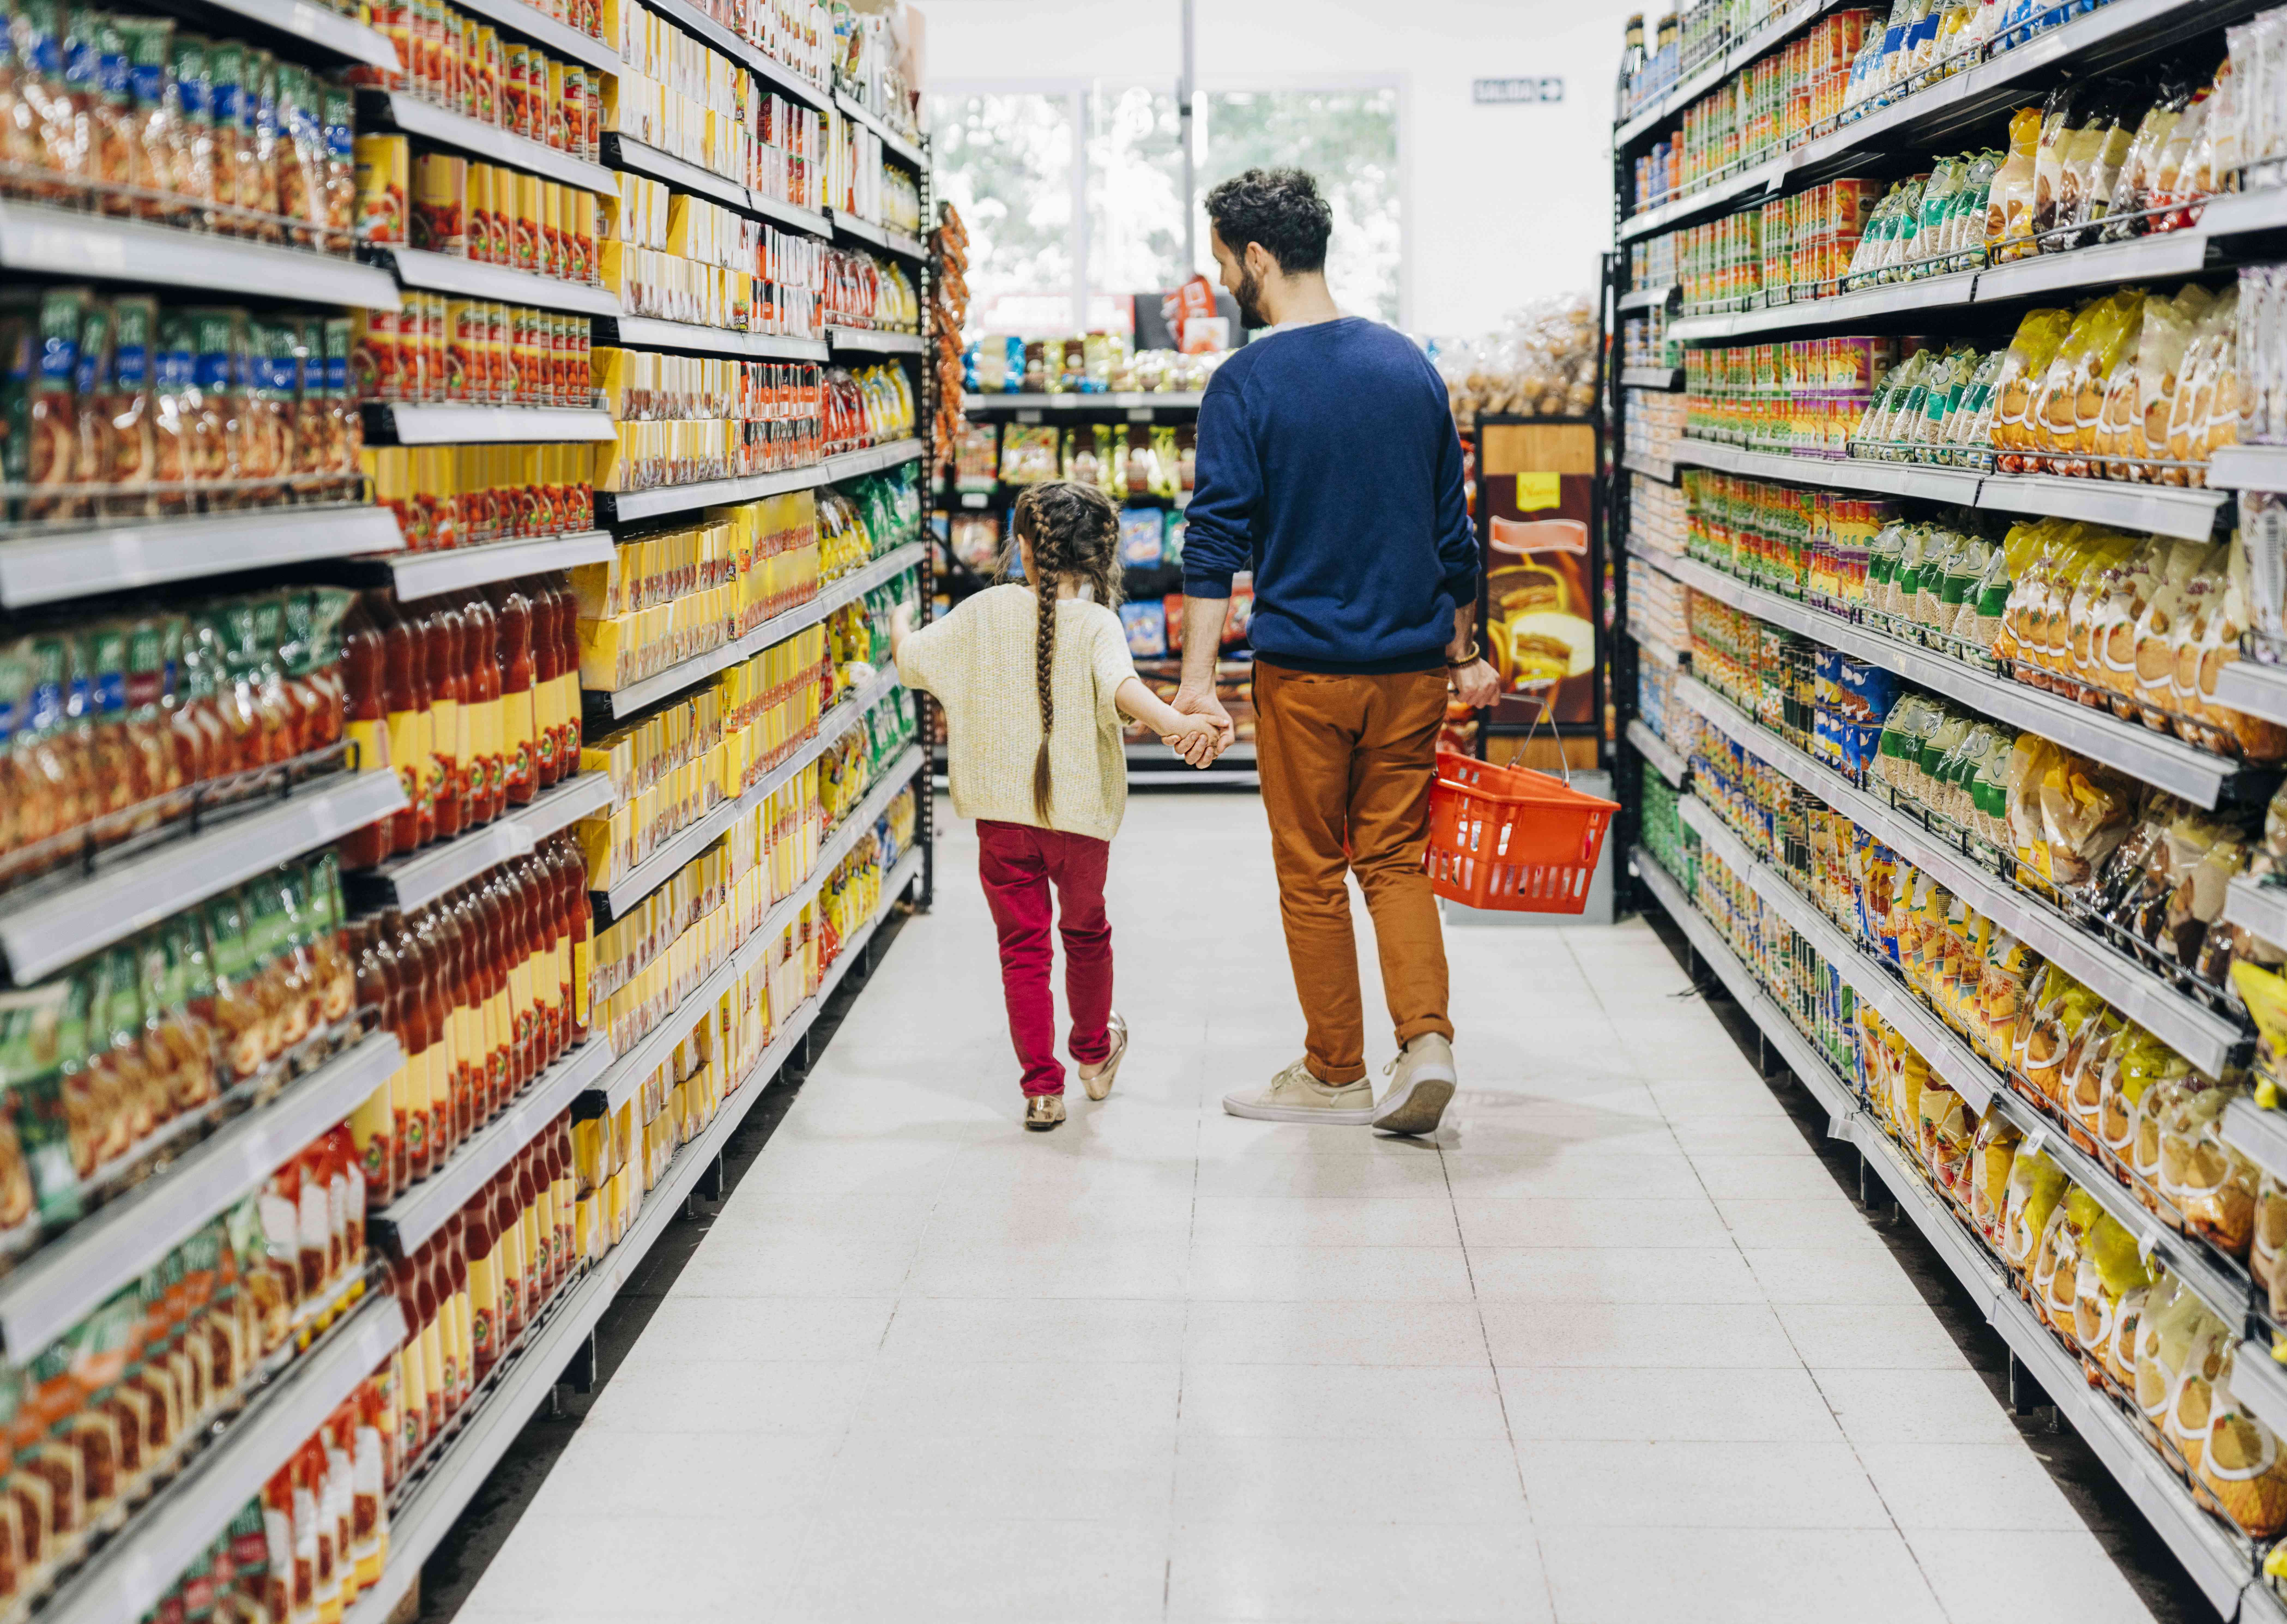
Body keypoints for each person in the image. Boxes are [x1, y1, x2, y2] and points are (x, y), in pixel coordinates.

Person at [1171, 167, 1500, 1137]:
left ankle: (1334, 1070)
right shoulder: (1408, 365)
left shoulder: (1247, 383)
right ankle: (1428, 1042)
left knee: (1313, 868)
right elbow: (1456, 537)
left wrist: (1197, 682)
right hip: (1410, 672)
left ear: (1258, 257)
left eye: (1226, 257)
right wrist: (1467, 647)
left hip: (1306, 672)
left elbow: (1214, 540)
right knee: (1397, 857)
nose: (1226, 274)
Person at [890, 482, 1222, 1130]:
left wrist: (901, 622)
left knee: (1023, 951)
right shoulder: (1099, 624)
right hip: (1079, 824)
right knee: (1086, 934)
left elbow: (912, 661)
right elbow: (1123, 690)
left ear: (1022, 548)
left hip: (1001, 823)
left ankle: (1042, 1091)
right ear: (1103, 553)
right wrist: (1175, 727)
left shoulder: (983, 612)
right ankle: (1094, 1059)